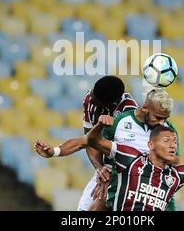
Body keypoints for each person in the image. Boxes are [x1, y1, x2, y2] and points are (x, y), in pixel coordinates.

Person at [34, 88, 182, 211]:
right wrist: (53, 151)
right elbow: (85, 142)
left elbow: (176, 161)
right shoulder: (121, 122)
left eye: (166, 118)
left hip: (149, 190)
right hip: (111, 181)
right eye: (158, 117)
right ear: (144, 108)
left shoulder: (168, 131)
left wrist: (144, 160)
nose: (162, 123)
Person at [48, 75, 138, 211]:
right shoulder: (90, 99)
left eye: (95, 100)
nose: (90, 99)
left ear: (109, 105)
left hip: (127, 171)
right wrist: (100, 169)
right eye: (92, 94)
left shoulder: (129, 114)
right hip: (107, 166)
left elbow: (128, 156)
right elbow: (90, 141)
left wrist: (110, 179)